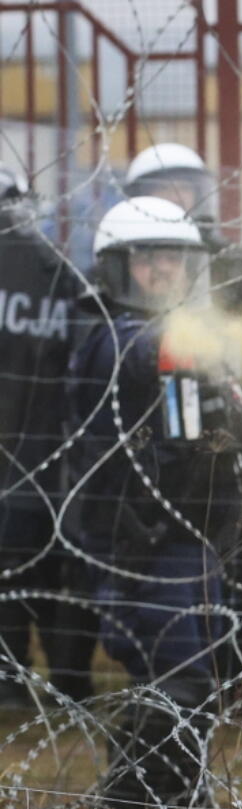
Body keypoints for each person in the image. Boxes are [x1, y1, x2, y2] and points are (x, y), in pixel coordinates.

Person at [66, 196, 242, 809]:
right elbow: (141, 361)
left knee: (174, 693)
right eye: (147, 257)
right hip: (146, 547)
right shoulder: (112, 335)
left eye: (177, 258)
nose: (164, 270)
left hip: (188, 543)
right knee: (180, 690)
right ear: (116, 268)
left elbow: (232, 440)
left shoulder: (182, 337)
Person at [0, 162, 95, 706]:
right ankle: (71, 686)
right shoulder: (54, 267)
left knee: (11, 576)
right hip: (59, 455)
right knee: (65, 578)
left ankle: (11, 682)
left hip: (17, 453)